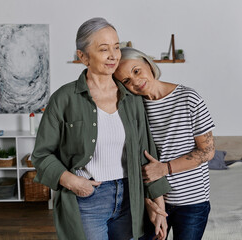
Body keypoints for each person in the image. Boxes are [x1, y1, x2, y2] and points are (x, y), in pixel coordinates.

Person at [31, 18, 171, 240]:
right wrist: (72, 181)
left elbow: (147, 155)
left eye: (116, 47)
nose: (114, 55)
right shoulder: (63, 99)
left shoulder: (132, 98)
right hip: (87, 200)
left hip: (129, 198)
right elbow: (41, 154)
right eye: (104, 49)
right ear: (83, 57)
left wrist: (158, 205)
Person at [114, 47, 216, 240]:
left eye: (136, 71)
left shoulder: (189, 98)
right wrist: (148, 201)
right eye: (126, 80)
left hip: (192, 203)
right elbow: (136, 159)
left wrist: (165, 169)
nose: (135, 81)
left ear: (149, 64)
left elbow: (208, 151)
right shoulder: (134, 108)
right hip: (153, 200)